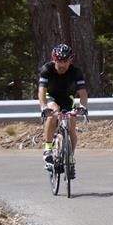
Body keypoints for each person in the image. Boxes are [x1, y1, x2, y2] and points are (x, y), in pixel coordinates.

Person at [38, 44, 88, 177]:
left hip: (67, 98)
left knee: (71, 124)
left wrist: (82, 107)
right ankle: (48, 148)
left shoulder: (76, 72)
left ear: (70, 61)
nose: (62, 65)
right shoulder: (46, 69)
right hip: (52, 97)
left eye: (65, 61)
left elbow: (83, 93)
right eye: (59, 61)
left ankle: (70, 157)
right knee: (54, 112)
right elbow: (42, 91)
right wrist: (43, 107)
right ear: (54, 59)